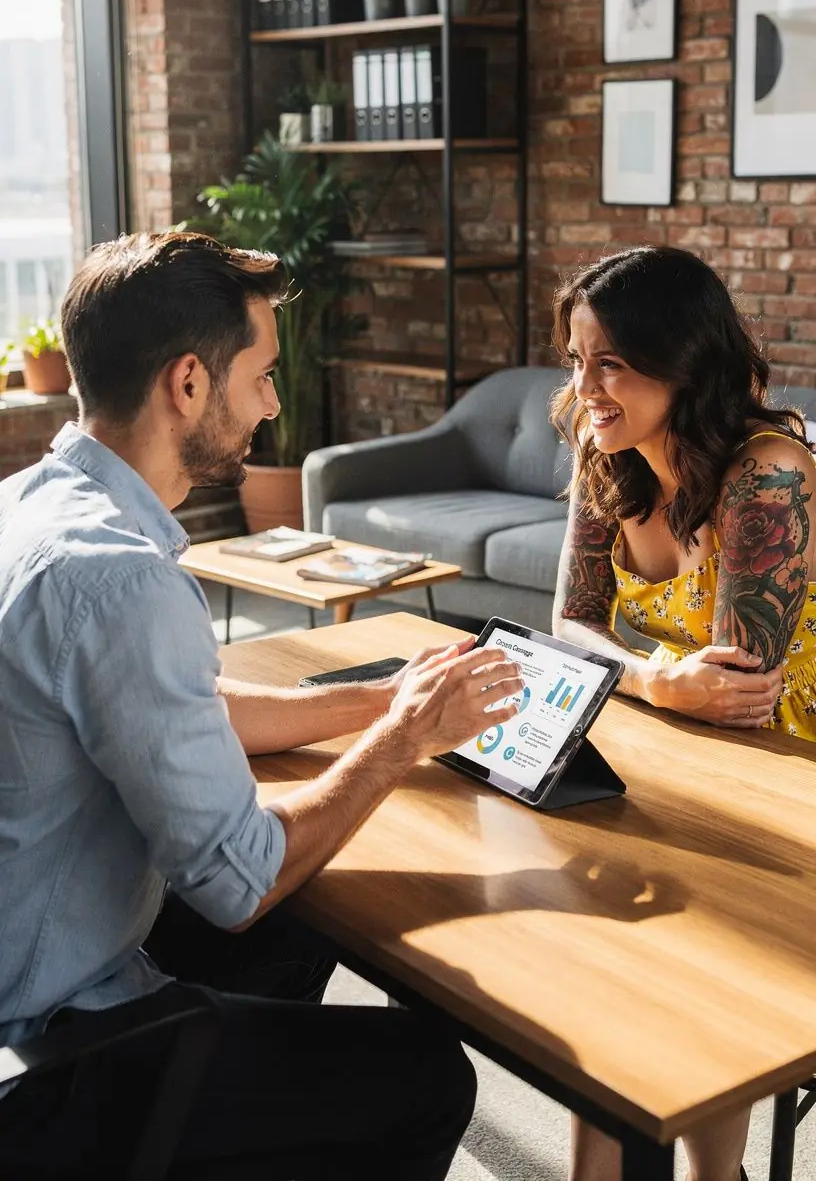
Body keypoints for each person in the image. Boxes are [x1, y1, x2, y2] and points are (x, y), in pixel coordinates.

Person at [0, 231, 525, 1179]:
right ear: (190, 384)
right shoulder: (118, 578)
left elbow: (179, 708)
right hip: (49, 1052)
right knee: (425, 1077)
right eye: (263, 376)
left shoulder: (36, 511)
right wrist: (404, 740)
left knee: (302, 923)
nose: (275, 403)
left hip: (37, 960)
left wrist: (377, 700)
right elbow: (236, 882)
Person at [550, 245, 816, 1181]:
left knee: (665, 969)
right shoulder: (606, 453)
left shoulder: (768, 473)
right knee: (600, 940)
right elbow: (571, 623)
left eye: (610, 362)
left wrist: (643, 679)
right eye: (577, 360)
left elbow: (743, 698)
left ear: (681, 359)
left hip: (794, 780)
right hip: (697, 751)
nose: (586, 386)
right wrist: (655, 681)